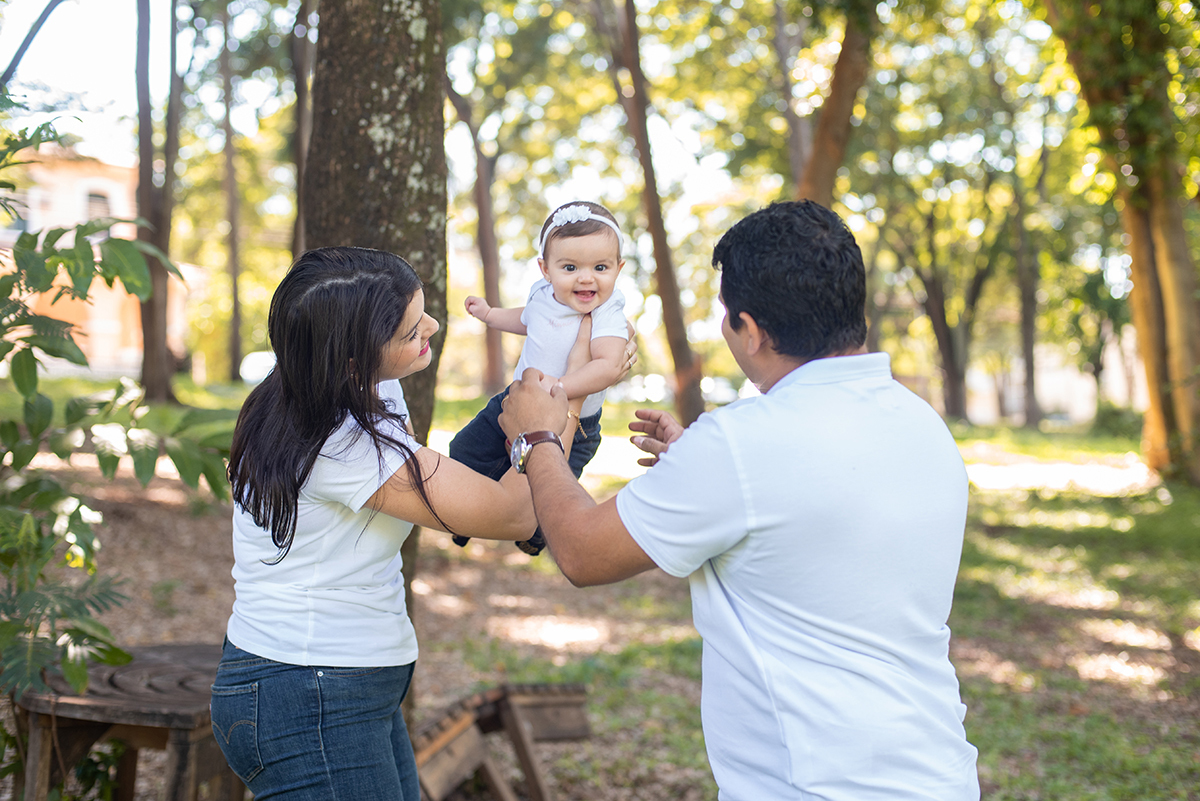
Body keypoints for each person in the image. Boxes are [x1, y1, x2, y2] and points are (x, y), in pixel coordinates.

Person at [497, 201, 981, 800]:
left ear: (750, 331)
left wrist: (536, 436)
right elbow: (810, 522)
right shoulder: (920, 422)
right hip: (936, 773)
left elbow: (583, 553)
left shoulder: (741, 445)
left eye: (726, 319)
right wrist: (695, 473)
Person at [210, 246, 586, 800]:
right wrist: (565, 408)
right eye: (412, 329)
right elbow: (514, 514)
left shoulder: (340, 384)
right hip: (310, 693)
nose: (432, 327)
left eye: (422, 312)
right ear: (351, 359)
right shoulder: (342, 445)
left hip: (339, 686)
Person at [449, 201, 631, 555]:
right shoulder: (541, 293)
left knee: (546, 493)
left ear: (618, 268)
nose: (586, 277)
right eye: (569, 267)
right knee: (465, 450)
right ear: (545, 270)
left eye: (600, 267)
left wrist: (559, 388)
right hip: (516, 402)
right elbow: (527, 319)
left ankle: (535, 534)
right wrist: (490, 315)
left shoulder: (609, 310)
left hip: (573, 424)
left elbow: (609, 365)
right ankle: (462, 518)